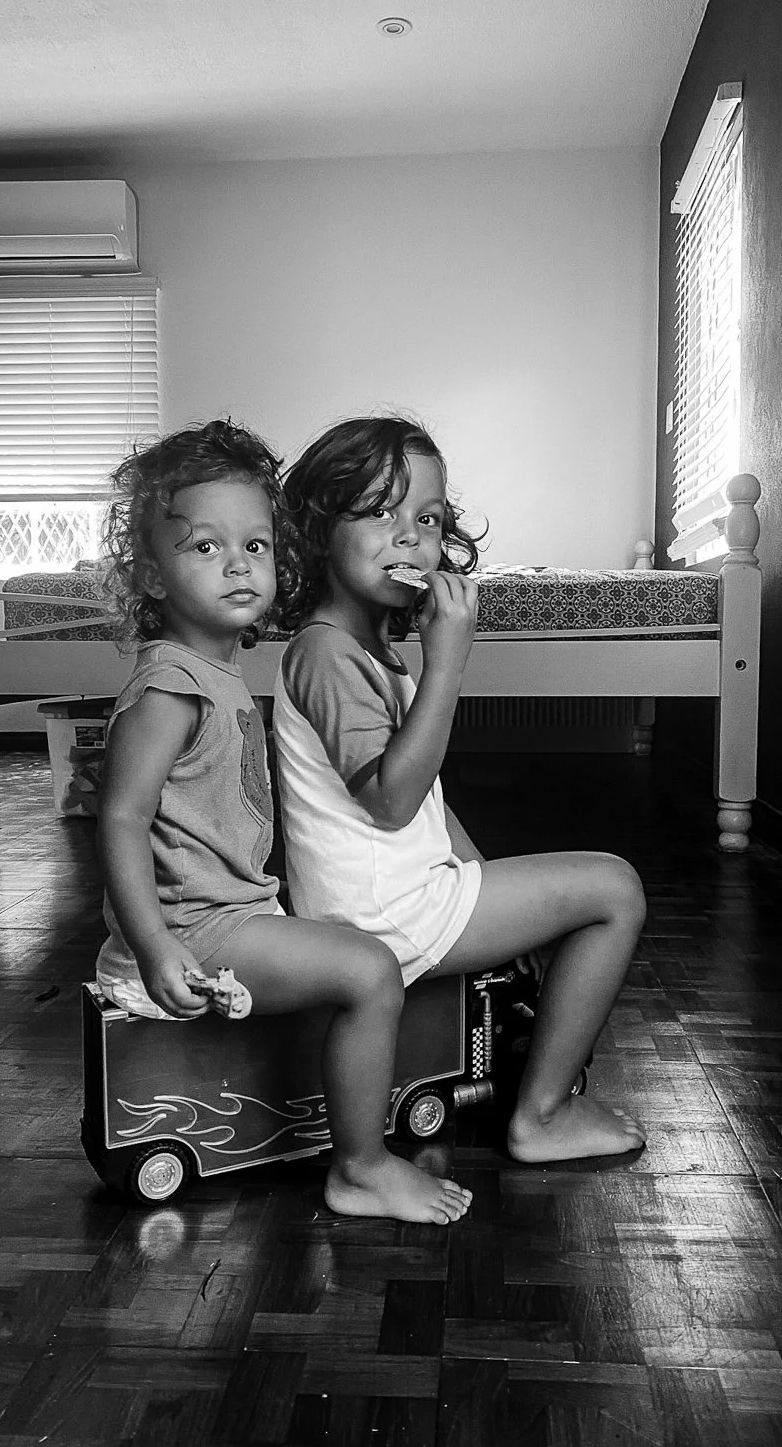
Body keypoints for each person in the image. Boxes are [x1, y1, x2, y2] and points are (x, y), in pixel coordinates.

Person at [93, 419, 471, 1225]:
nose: (238, 564)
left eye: (255, 545)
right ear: (151, 575)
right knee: (369, 969)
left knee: (345, 953)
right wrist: (155, 946)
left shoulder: (218, 672)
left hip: (229, 913)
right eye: (205, 547)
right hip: (193, 930)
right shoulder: (169, 687)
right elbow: (120, 819)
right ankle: (360, 1168)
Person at [275, 416, 647, 1164]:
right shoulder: (326, 653)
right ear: (317, 531)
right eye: (379, 511)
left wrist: (479, 878)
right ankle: (540, 1116)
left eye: (428, 519)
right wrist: (448, 664)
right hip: (381, 914)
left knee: (560, 897)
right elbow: (391, 802)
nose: (409, 537)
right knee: (615, 889)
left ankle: (535, 1079)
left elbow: (427, 805)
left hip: (391, 897)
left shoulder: (364, 651)